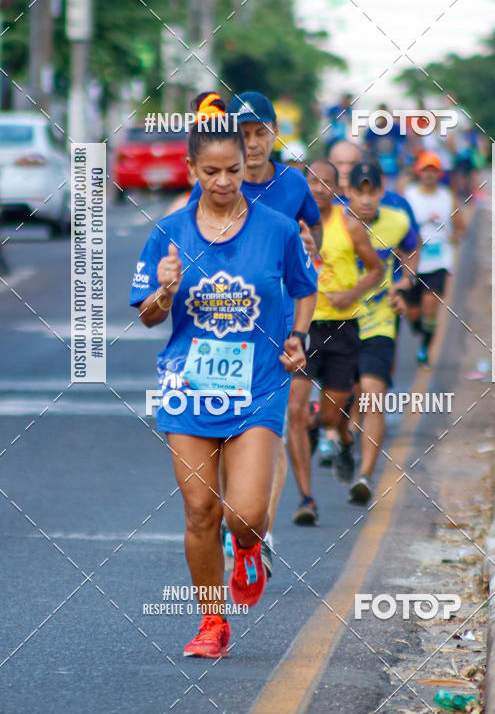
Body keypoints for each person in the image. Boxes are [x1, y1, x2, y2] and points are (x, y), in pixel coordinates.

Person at [130, 113, 317, 658]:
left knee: (244, 513)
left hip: (257, 384)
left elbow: (305, 286)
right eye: (210, 171)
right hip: (188, 388)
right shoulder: (169, 233)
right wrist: (164, 292)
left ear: (245, 166)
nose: (222, 181)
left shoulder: (277, 230)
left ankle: (250, 547)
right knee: (199, 511)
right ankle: (213, 621)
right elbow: (147, 316)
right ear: (191, 168)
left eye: (232, 170)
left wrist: (299, 335)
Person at [185, 91, 323, 578]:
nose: (253, 143)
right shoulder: (216, 182)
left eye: (260, 133)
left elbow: (314, 235)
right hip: (219, 332)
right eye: (244, 135)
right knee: (223, 433)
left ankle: (257, 525)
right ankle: (236, 519)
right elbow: (188, 238)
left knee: (275, 424)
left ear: (273, 133)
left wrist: (309, 248)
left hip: (278, 326)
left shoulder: (292, 184)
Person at [286, 160, 384, 525]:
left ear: (336, 187)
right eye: (313, 181)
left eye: (327, 182)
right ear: (304, 184)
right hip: (303, 324)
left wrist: (352, 292)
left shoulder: (349, 224)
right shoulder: (291, 225)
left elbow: (376, 269)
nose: (319, 188)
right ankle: (306, 499)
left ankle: (341, 437)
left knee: (331, 414)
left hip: (342, 327)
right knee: (295, 409)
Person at [345, 161, 418, 504]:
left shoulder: (397, 220)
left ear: (380, 190)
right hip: (339, 323)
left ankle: (365, 476)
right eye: (358, 191)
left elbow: (411, 249)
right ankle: (343, 440)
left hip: (379, 320)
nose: (365, 198)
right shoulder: (335, 223)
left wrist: (404, 282)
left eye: (371, 190)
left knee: (374, 393)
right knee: (344, 398)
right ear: (348, 191)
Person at [403, 151, 465, 367]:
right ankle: (421, 330)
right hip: (413, 260)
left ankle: (424, 350)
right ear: (418, 172)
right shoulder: (409, 195)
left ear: (439, 174)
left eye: (433, 171)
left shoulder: (447, 196)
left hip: (439, 260)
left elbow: (460, 227)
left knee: (431, 305)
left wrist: (455, 235)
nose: (429, 175)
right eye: (425, 170)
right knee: (413, 314)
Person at [363, 104, 407, 192]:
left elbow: (403, 145)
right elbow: (367, 148)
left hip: (394, 167)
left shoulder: (396, 129)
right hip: (378, 166)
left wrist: (401, 158)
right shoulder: (371, 130)